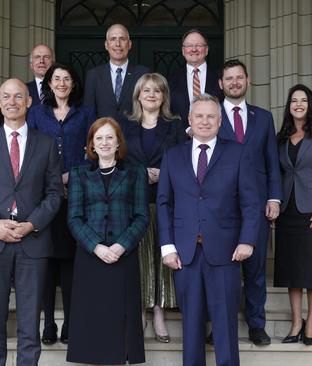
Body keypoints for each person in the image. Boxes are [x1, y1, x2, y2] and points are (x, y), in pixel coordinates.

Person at [0, 78, 63, 366]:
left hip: (32, 241)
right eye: (6, 96)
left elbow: (55, 193)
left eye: (18, 96)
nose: (12, 101)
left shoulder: (45, 144)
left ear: (28, 101)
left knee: (29, 324)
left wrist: (32, 224)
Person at [157, 94, 262, 366]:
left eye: (211, 116)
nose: (205, 121)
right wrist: (167, 247)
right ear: (190, 120)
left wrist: (247, 241)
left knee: (225, 324)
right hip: (185, 254)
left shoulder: (238, 153)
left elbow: (251, 202)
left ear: (219, 121)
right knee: (191, 324)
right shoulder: (173, 155)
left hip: (226, 251)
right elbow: (164, 203)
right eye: (199, 116)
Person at [66, 117, 149, 365]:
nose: (104, 142)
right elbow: (74, 218)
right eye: (98, 138)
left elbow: (141, 216)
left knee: (119, 319)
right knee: (92, 319)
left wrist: (120, 245)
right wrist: (97, 247)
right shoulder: (79, 173)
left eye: (109, 137)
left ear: (117, 143)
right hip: (90, 257)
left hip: (123, 256)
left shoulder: (135, 172)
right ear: (91, 144)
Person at [27, 63, 95, 345]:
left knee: (69, 264)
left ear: (74, 84)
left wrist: (71, 176)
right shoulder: (36, 114)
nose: (62, 83)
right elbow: (30, 152)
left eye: (67, 78)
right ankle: (49, 323)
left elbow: (94, 150)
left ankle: (69, 321)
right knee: (45, 263)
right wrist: (53, 179)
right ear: (49, 84)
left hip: (74, 197)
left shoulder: (87, 113)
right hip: (43, 198)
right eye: (57, 79)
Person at [217, 59, 282, 345]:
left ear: (247, 80)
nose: (234, 82)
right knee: (222, 270)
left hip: (256, 204)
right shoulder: (209, 115)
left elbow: (272, 162)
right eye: (228, 78)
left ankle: (256, 324)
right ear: (220, 84)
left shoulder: (263, 118)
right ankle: (219, 325)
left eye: (238, 77)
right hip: (221, 207)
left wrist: (274, 197)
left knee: (255, 269)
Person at [124, 73, 186, 343]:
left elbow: (184, 161)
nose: (151, 95)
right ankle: (139, 309)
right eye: (146, 90)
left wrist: (164, 172)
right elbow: (117, 160)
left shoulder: (174, 127)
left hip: (165, 201)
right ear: (138, 95)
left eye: (157, 91)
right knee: (137, 260)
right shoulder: (125, 126)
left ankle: (159, 311)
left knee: (162, 258)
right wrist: (141, 173)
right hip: (133, 202)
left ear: (164, 97)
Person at [274, 84, 312, 346]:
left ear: (310, 104)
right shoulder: (282, 135)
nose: (298, 104)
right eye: (293, 101)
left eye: (303, 100)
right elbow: (277, 173)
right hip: (287, 210)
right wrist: (275, 206)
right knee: (291, 268)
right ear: (289, 106)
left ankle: (311, 321)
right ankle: (296, 321)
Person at [83, 23, 149, 126]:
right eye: (113, 39)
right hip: (104, 139)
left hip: (136, 138)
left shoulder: (143, 73)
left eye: (122, 39)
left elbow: (149, 111)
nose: (118, 44)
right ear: (106, 45)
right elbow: (88, 113)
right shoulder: (93, 75)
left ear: (130, 44)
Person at [168, 29, 223, 129]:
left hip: (215, 137)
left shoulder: (220, 77)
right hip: (180, 139)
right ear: (183, 51)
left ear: (206, 50)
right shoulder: (171, 80)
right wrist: (187, 130)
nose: (194, 49)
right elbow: (168, 112)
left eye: (198, 45)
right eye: (189, 45)